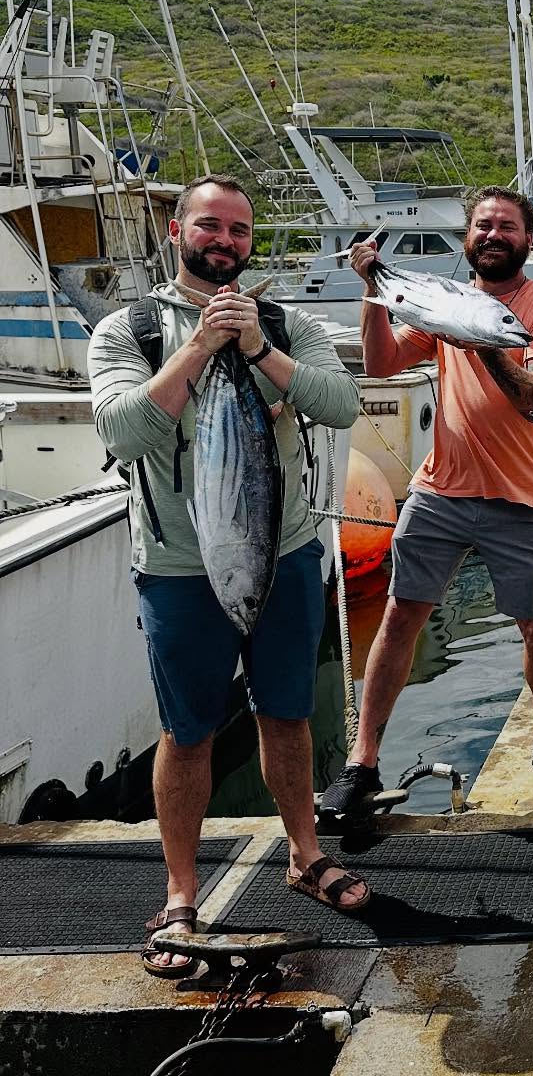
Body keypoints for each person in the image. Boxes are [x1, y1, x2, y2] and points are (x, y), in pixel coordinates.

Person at [89, 175, 365, 977]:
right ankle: (181, 892)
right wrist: (201, 345)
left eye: (239, 231)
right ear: (177, 232)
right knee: (189, 732)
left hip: (281, 556)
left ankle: (305, 855)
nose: (226, 242)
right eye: (210, 226)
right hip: (178, 569)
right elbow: (125, 430)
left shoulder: (284, 323)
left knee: (286, 715)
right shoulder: (127, 330)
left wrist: (257, 349)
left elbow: (342, 404)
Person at [320, 186, 533, 818]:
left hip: (523, 496)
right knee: (400, 618)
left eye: (507, 226)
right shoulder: (445, 300)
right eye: (482, 225)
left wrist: (483, 341)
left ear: (529, 238)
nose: (493, 235)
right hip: (439, 491)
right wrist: (374, 291)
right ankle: (363, 761)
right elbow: (383, 364)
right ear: (467, 236)